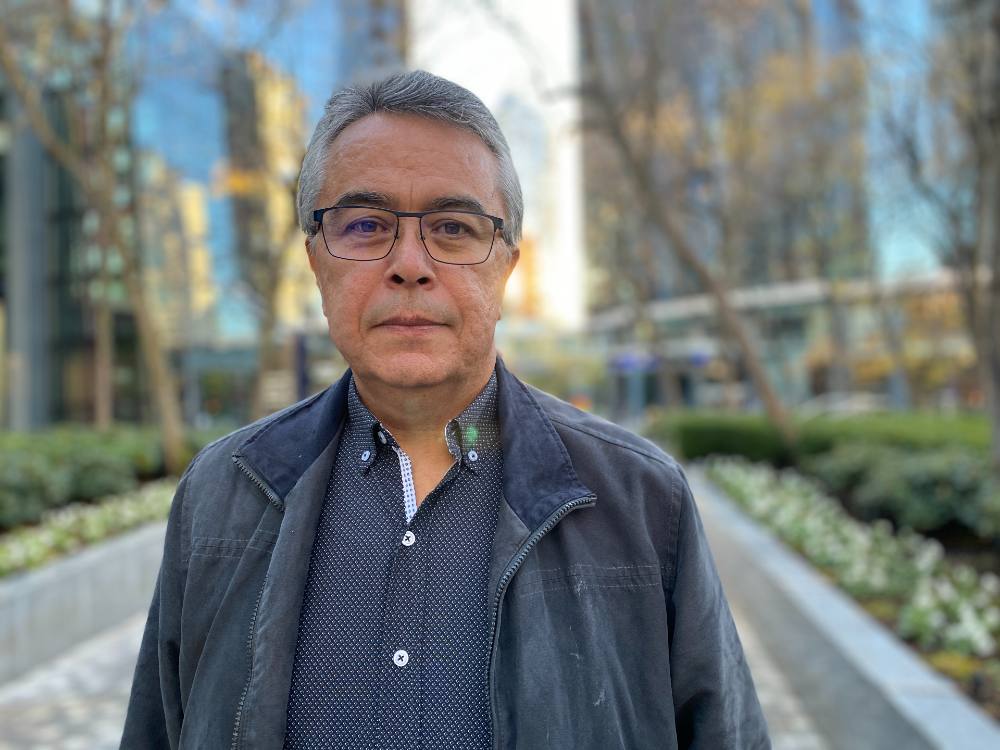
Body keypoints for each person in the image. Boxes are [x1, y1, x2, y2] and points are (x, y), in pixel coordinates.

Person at [121, 70, 770, 750]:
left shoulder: (641, 500)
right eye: (366, 225)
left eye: (454, 228)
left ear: (507, 265)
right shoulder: (220, 494)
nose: (409, 264)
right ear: (316, 258)